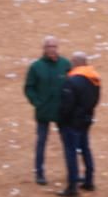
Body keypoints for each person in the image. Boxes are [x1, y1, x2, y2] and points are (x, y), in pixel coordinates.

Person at [23, 36, 72, 187]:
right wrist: (37, 103)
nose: (52, 49)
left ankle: (72, 172)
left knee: (68, 142)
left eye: (54, 46)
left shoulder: (65, 64)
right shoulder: (36, 67)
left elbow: (73, 84)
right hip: (43, 112)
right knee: (41, 142)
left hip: (62, 111)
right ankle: (39, 173)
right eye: (49, 46)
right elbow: (29, 87)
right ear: (44, 49)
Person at [55, 53, 100, 197]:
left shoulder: (72, 81)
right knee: (85, 149)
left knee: (71, 152)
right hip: (86, 120)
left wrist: (61, 119)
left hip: (72, 123)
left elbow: (67, 105)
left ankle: (72, 186)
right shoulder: (94, 79)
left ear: (76, 63)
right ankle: (89, 180)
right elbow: (95, 100)